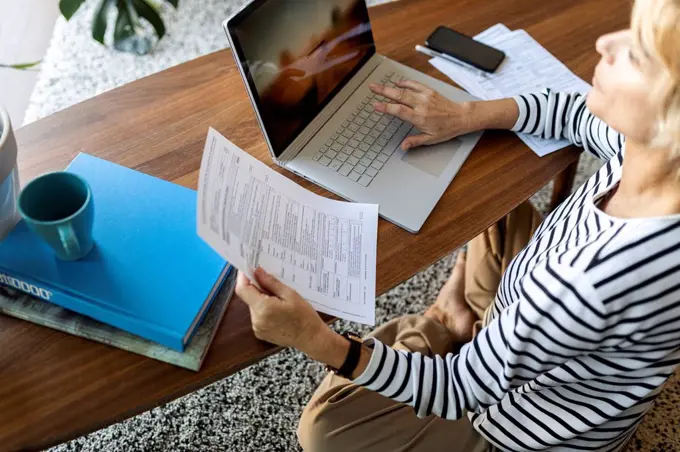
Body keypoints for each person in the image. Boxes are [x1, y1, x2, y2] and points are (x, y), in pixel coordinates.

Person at [235, 0, 680, 450]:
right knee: (495, 203)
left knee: (324, 431)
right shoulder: (651, 155)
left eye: (639, 52)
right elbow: (571, 111)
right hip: (552, 322)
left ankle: (444, 319)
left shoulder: (587, 281)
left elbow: (454, 389)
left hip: (520, 427)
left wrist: (312, 338)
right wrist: (463, 116)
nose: (606, 42)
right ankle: (473, 317)